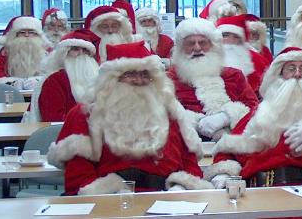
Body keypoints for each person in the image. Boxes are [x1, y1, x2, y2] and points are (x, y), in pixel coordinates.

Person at [47, 41, 212, 195]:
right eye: (130, 74)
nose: (139, 81)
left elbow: (189, 161)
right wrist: (110, 194)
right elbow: (79, 175)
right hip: (109, 201)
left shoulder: (171, 112)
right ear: (111, 79)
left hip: (167, 197)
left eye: (145, 74)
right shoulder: (85, 115)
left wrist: (181, 186)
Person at [207, 47, 302, 191]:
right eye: (291, 68)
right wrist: (224, 173)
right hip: (258, 193)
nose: (297, 74)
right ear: (280, 74)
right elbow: (227, 149)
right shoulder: (258, 114)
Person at [168, 18, 259, 142]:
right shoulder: (170, 79)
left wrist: (226, 117)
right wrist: (195, 121)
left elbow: (254, 107)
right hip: (186, 144)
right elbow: (163, 113)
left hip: (231, 144)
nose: (197, 48)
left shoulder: (234, 75)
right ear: (181, 48)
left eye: (202, 42)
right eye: (191, 43)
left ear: (213, 46)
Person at [23, 29, 99, 122]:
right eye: (75, 49)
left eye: (85, 50)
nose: (81, 54)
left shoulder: (99, 79)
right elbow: (53, 119)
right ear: (64, 54)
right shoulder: (54, 81)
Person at [215, 14, 270, 94]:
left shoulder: (258, 60)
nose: (231, 40)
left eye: (236, 36)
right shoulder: (207, 59)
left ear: (242, 40)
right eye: (225, 35)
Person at [0, 16, 49, 90]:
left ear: (38, 34)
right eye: (22, 32)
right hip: (12, 92)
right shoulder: (6, 51)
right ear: (15, 35)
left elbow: (53, 73)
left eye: (31, 32)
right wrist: (13, 82)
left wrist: (39, 80)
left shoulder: (47, 50)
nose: (26, 35)